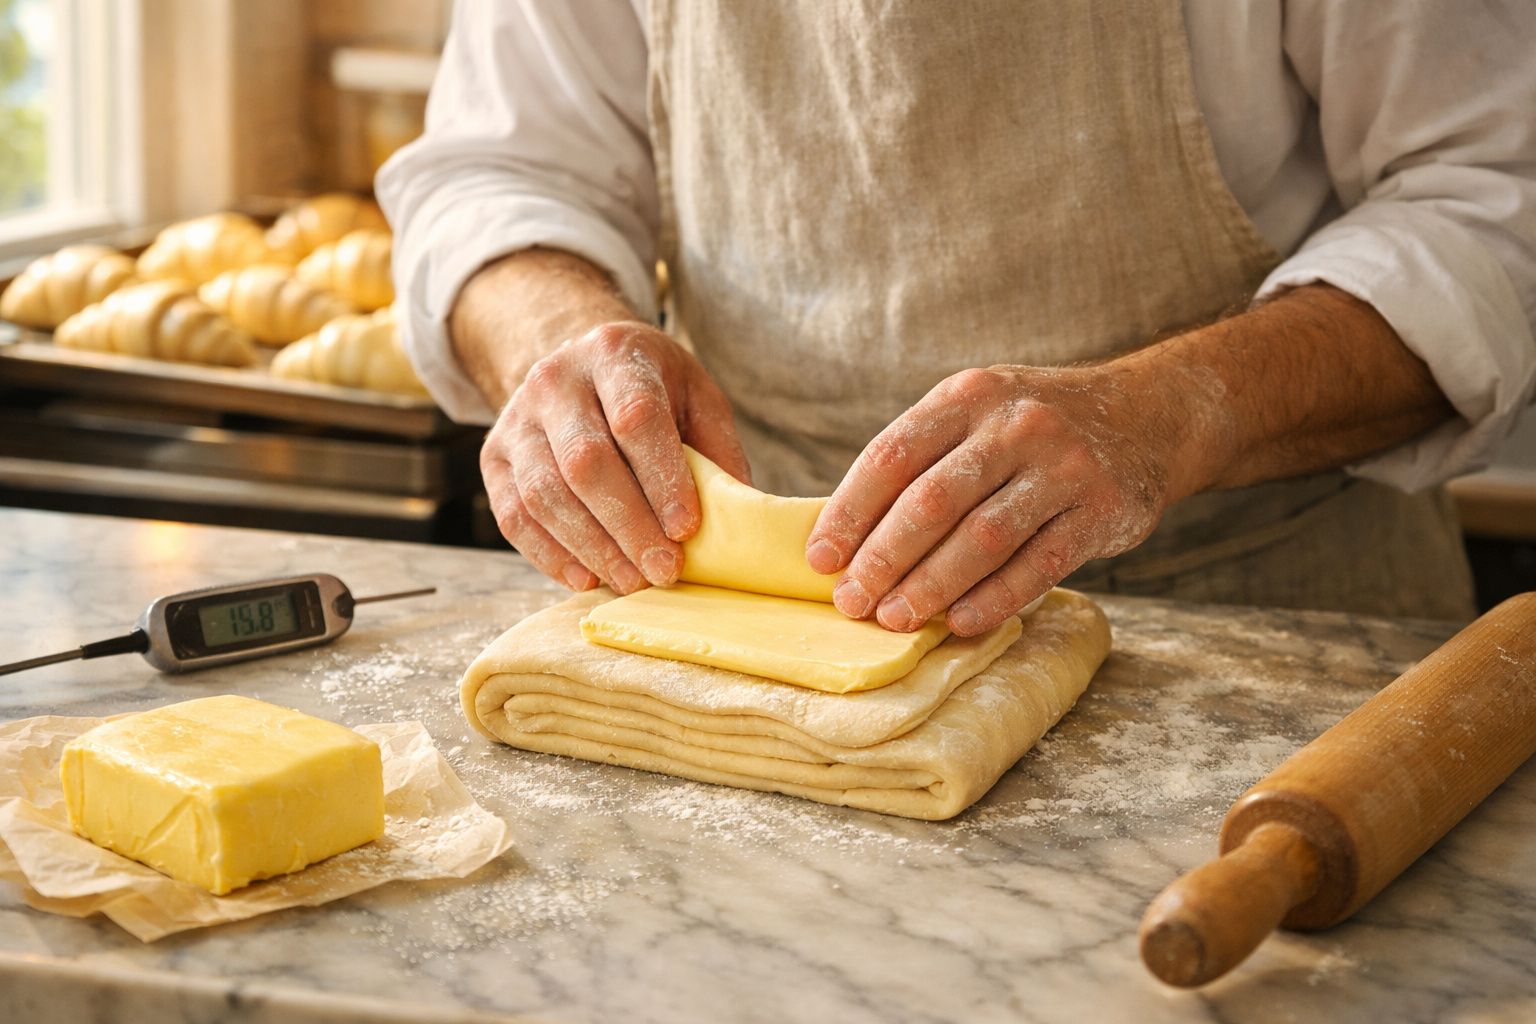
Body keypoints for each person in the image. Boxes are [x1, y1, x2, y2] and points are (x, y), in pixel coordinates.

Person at [379, 1, 1536, 630]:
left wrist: (1164, 412)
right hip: (771, 625)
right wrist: (555, 338)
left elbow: (1495, 201)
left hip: (1266, 619)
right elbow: (501, 172)